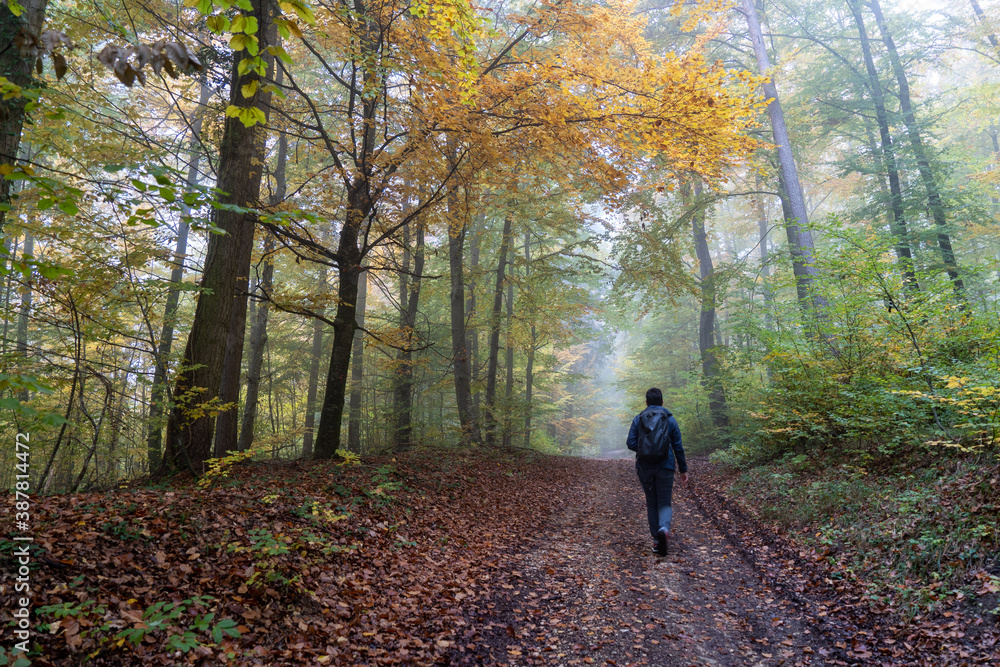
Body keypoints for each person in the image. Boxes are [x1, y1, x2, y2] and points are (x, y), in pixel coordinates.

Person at [626, 387, 688, 556]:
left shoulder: (639, 419)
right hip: (666, 466)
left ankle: (656, 541)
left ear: (646, 402)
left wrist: (644, 450)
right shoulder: (669, 419)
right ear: (662, 402)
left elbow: (630, 443)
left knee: (652, 503)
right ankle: (664, 528)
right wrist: (683, 469)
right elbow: (678, 447)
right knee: (665, 503)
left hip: (645, 467)